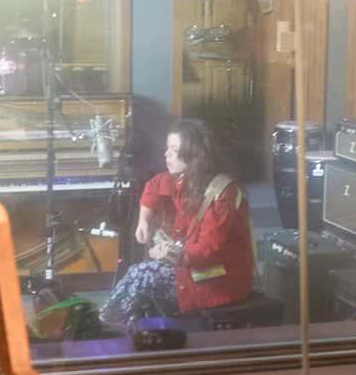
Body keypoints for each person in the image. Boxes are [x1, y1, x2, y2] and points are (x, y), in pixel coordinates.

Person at [100, 119, 253, 326]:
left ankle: (106, 326)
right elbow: (154, 186)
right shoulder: (182, 177)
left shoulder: (224, 193)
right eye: (167, 148)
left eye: (174, 149)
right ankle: (117, 324)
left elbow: (209, 250)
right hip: (192, 267)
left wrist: (171, 254)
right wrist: (143, 220)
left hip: (218, 280)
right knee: (140, 275)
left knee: (142, 274)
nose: (166, 154)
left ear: (193, 154)